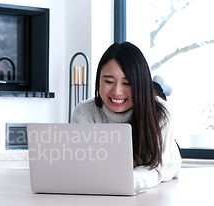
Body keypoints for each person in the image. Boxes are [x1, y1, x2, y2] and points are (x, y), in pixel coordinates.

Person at [71, 42, 181, 189]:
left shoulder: (162, 114)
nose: (116, 91)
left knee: (154, 96)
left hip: (151, 118)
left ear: (140, 83)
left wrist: (117, 181)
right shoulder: (84, 112)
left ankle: (158, 85)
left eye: (127, 83)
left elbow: (154, 170)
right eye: (109, 81)